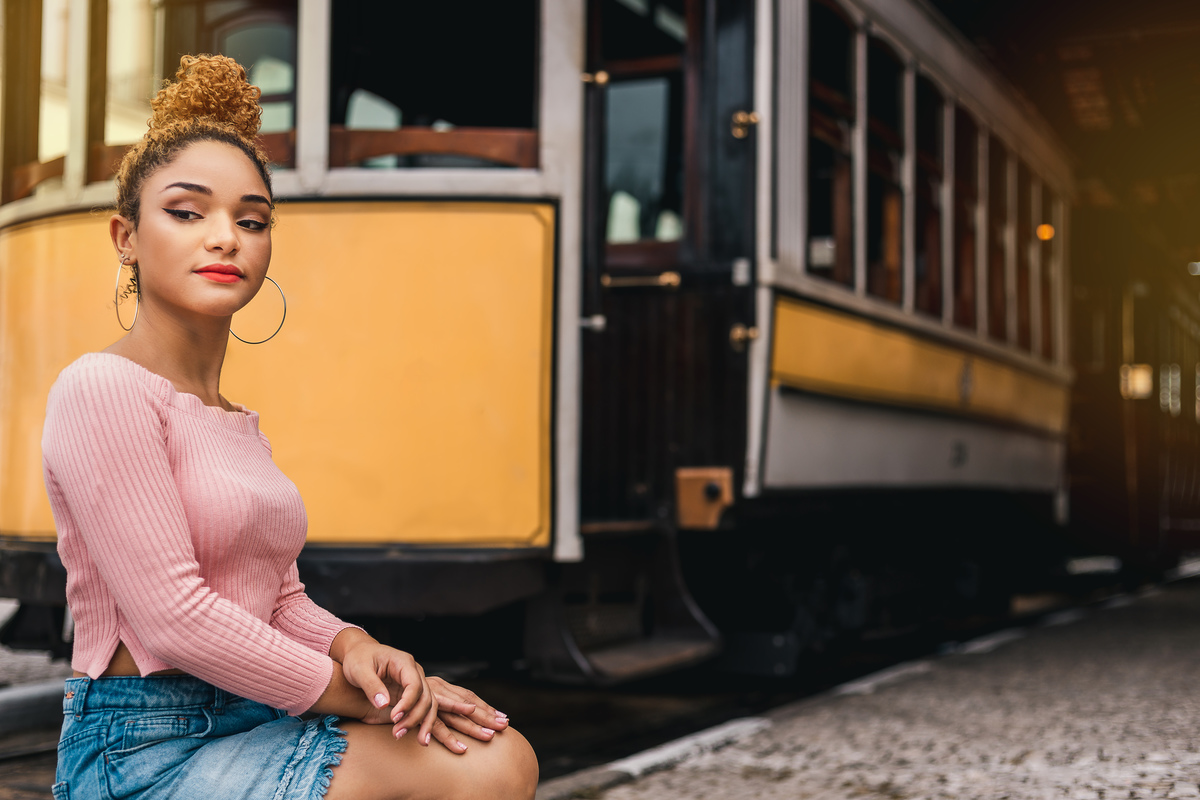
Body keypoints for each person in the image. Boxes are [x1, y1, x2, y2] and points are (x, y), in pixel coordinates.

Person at [41, 54, 538, 800]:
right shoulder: (99, 388)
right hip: (142, 751)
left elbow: (276, 599)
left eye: (251, 220)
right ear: (126, 237)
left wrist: (358, 646)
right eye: (187, 212)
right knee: (488, 766)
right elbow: (175, 619)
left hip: (253, 717)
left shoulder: (234, 421)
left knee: (497, 754)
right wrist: (368, 699)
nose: (225, 238)